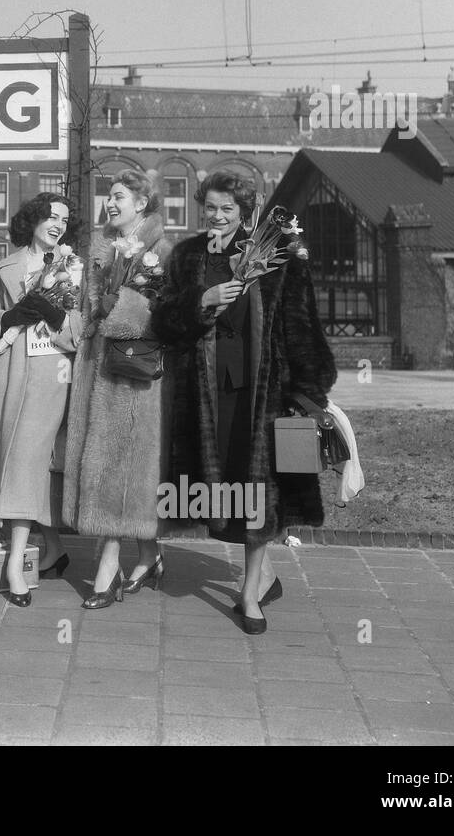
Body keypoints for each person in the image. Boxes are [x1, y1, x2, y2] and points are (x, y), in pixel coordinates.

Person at [153, 170, 337, 634]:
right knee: (221, 491)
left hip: (264, 394)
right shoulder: (188, 256)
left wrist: (309, 393)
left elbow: (302, 328)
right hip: (207, 396)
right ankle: (265, 576)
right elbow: (165, 324)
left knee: (262, 493)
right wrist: (202, 300)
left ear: (246, 211)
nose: (216, 217)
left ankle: (250, 593)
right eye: (210, 208)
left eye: (227, 209)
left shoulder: (278, 257)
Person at [63, 169, 173, 609]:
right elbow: (85, 308)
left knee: (116, 463)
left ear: (142, 203)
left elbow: (164, 316)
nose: (110, 203)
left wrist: (121, 307)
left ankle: (107, 568)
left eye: (119, 196)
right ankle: (149, 554)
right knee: (108, 459)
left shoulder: (162, 251)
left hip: (133, 376)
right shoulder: (99, 248)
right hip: (96, 368)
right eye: (109, 196)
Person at [0, 192, 81, 606]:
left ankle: (19, 560)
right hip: (12, 374)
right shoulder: (7, 267)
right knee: (20, 461)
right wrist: (9, 319)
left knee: (36, 462)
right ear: (32, 220)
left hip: (54, 378)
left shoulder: (76, 270)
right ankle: (42, 553)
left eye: (64, 220)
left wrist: (56, 317)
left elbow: (82, 332)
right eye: (51, 216)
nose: (57, 224)